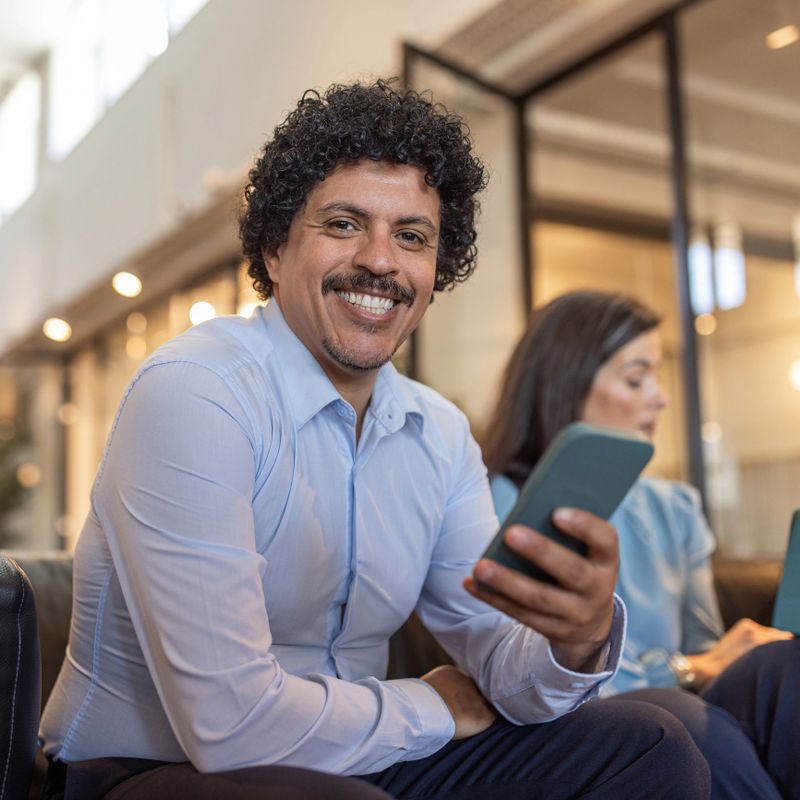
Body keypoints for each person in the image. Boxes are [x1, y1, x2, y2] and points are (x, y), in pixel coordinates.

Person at [40, 82, 710, 800]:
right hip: (146, 771)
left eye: (412, 237)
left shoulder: (439, 434)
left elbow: (505, 666)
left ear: (434, 270)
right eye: (344, 224)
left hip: (362, 756)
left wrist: (574, 641)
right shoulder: (196, 392)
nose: (382, 261)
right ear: (272, 249)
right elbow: (227, 726)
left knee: (653, 742)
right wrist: (432, 705)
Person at [483, 289, 800, 800]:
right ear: (569, 382)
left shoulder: (676, 506)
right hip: (583, 717)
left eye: (657, 373)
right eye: (637, 377)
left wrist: (720, 660)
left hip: (686, 702)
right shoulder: (503, 501)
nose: (661, 395)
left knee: (785, 667)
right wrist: (687, 670)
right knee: (668, 715)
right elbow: (543, 675)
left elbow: (706, 648)